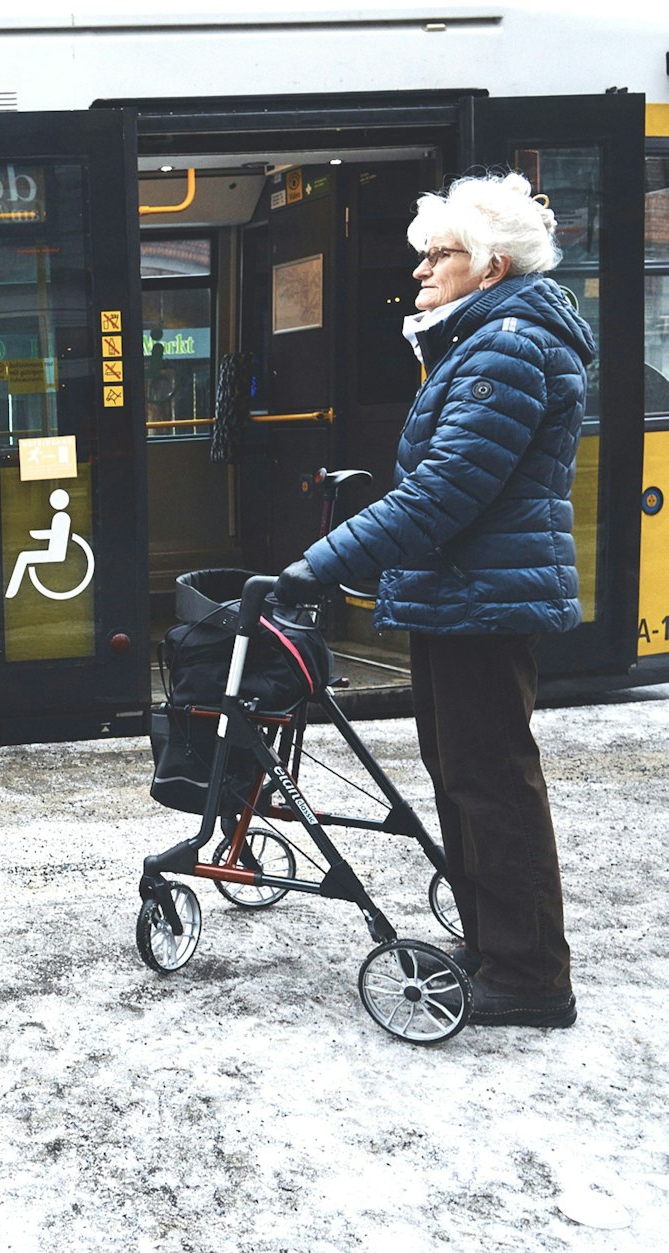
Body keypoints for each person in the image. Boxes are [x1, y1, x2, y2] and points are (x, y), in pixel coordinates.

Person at [277, 172, 592, 1028]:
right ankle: (495, 949)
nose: (419, 270)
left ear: (490, 266)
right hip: (464, 596)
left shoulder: (507, 348)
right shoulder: (483, 341)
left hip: (482, 601)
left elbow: (444, 492)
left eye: (436, 254)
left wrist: (317, 565)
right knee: (466, 780)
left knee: (491, 785)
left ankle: (528, 975)